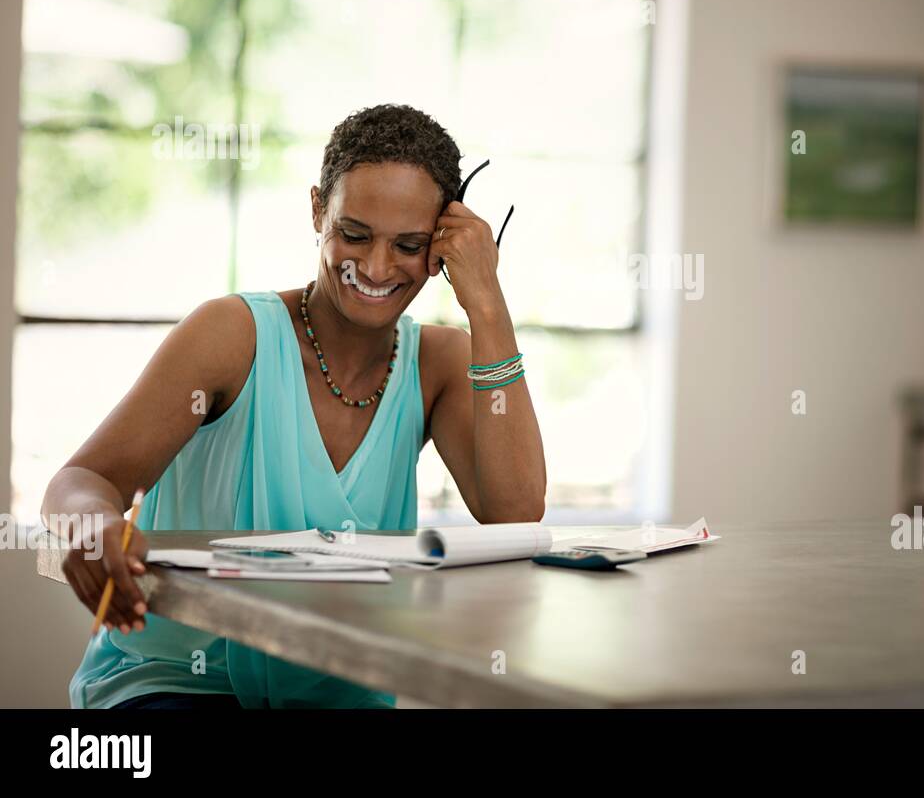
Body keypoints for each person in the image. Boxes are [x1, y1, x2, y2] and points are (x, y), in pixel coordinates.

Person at [41, 104, 546, 708]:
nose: (377, 267)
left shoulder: (437, 363)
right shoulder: (232, 334)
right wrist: (91, 524)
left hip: (336, 693)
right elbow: (84, 478)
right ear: (317, 210)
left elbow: (515, 512)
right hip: (179, 684)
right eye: (354, 235)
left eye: (409, 245)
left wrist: (487, 303)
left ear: (441, 245)